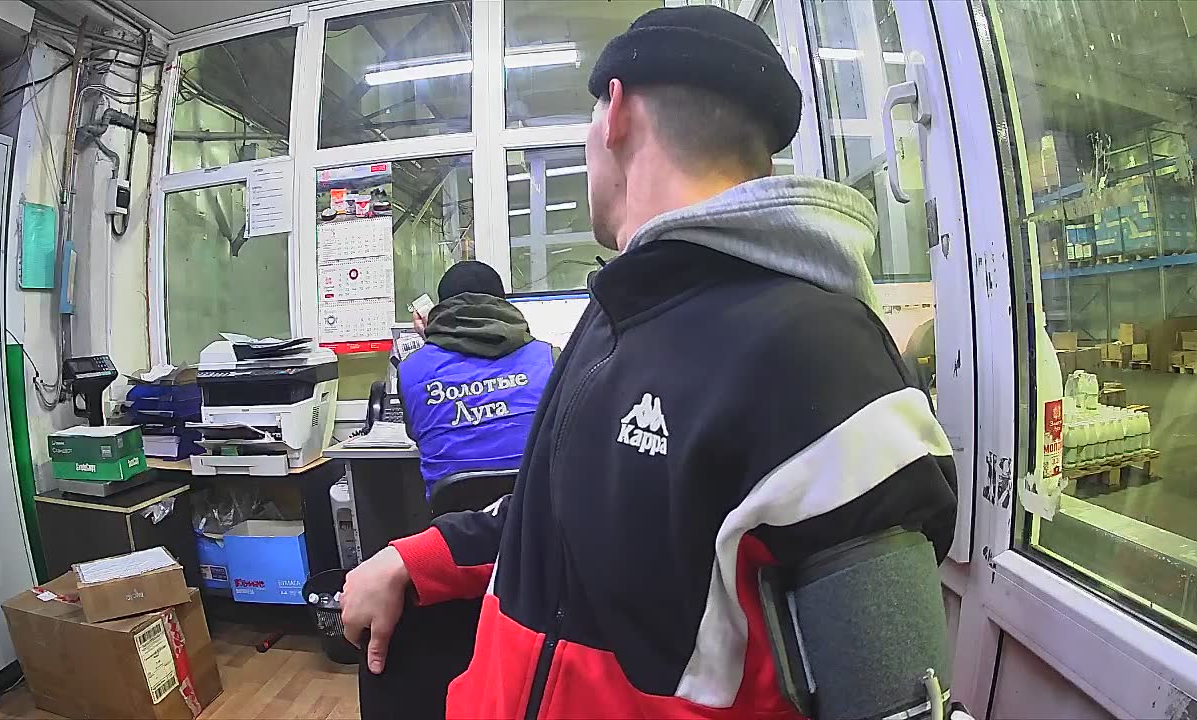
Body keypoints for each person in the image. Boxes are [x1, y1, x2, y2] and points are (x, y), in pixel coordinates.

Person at [343, 6, 957, 718]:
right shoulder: (615, 321)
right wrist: (414, 557)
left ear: (616, 113)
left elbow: (894, 699)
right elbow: (563, 521)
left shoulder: (821, 358)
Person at [398, 260, 556, 497]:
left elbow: (418, 432)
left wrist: (432, 339)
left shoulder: (410, 370)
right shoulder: (549, 358)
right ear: (503, 304)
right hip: (535, 514)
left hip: (455, 517)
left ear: (441, 309)